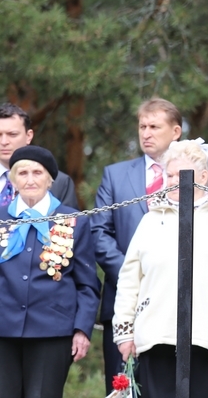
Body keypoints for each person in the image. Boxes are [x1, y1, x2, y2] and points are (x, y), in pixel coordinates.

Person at [92, 98, 208, 392]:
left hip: (188, 308)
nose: (146, 133)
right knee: (125, 387)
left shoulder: (206, 174)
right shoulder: (115, 174)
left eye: (154, 126)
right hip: (124, 303)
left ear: (176, 131)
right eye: (142, 126)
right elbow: (100, 233)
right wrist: (134, 273)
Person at [113, 140, 208, 398]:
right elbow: (129, 278)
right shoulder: (150, 220)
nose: (173, 180)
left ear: (203, 176)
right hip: (157, 334)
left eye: (180, 174)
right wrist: (124, 331)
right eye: (169, 174)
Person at [0, 145, 99, 398]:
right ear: (13, 180)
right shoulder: (1, 219)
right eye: (22, 173)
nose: (30, 179)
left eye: (37, 172)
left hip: (53, 330)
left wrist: (82, 329)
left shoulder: (74, 220)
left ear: (50, 179)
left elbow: (87, 284)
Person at [0, 103, 79, 209]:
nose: (4, 142)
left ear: (28, 136)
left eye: (12, 134)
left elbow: (70, 222)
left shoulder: (59, 182)